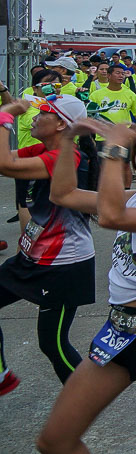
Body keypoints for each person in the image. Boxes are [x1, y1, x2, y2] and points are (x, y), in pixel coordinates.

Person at [36, 116, 136, 454]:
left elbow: (110, 216)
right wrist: (67, 140)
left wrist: (115, 147)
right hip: (120, 330)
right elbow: (63, 193)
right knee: (55, 441)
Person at [0, 95, 95, 393]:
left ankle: (83, 401)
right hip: (34, 257)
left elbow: (4, 165)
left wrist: (5, 114)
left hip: (64, 264)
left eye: (43, 112)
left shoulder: (66, 157)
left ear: (60, 125)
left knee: (52, 344)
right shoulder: (44, 148)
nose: (35, 117)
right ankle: (1, 375)